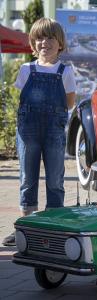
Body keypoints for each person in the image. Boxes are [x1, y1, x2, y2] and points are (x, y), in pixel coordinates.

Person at [2, 18, 76, 246]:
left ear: (60, 43)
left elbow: (69, 102)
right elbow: (21, 100)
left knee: (55, 179)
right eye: (40, 38)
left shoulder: (66, 71)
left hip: (53, 132)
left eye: (51, 37)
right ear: (34, 43)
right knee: (27, 178)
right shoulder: (26, 69)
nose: (45, 42)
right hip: (28, 131)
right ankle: (27, 227)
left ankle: (54, 226)